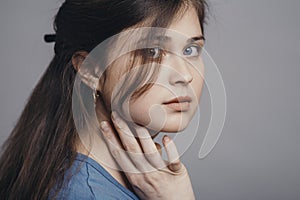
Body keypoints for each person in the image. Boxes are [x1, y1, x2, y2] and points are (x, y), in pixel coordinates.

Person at [0, 0, 208, 199]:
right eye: (152, 52)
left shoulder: (140, 183)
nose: (184, 75)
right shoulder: (84, 194)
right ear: (91, 69)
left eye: (190, 50)